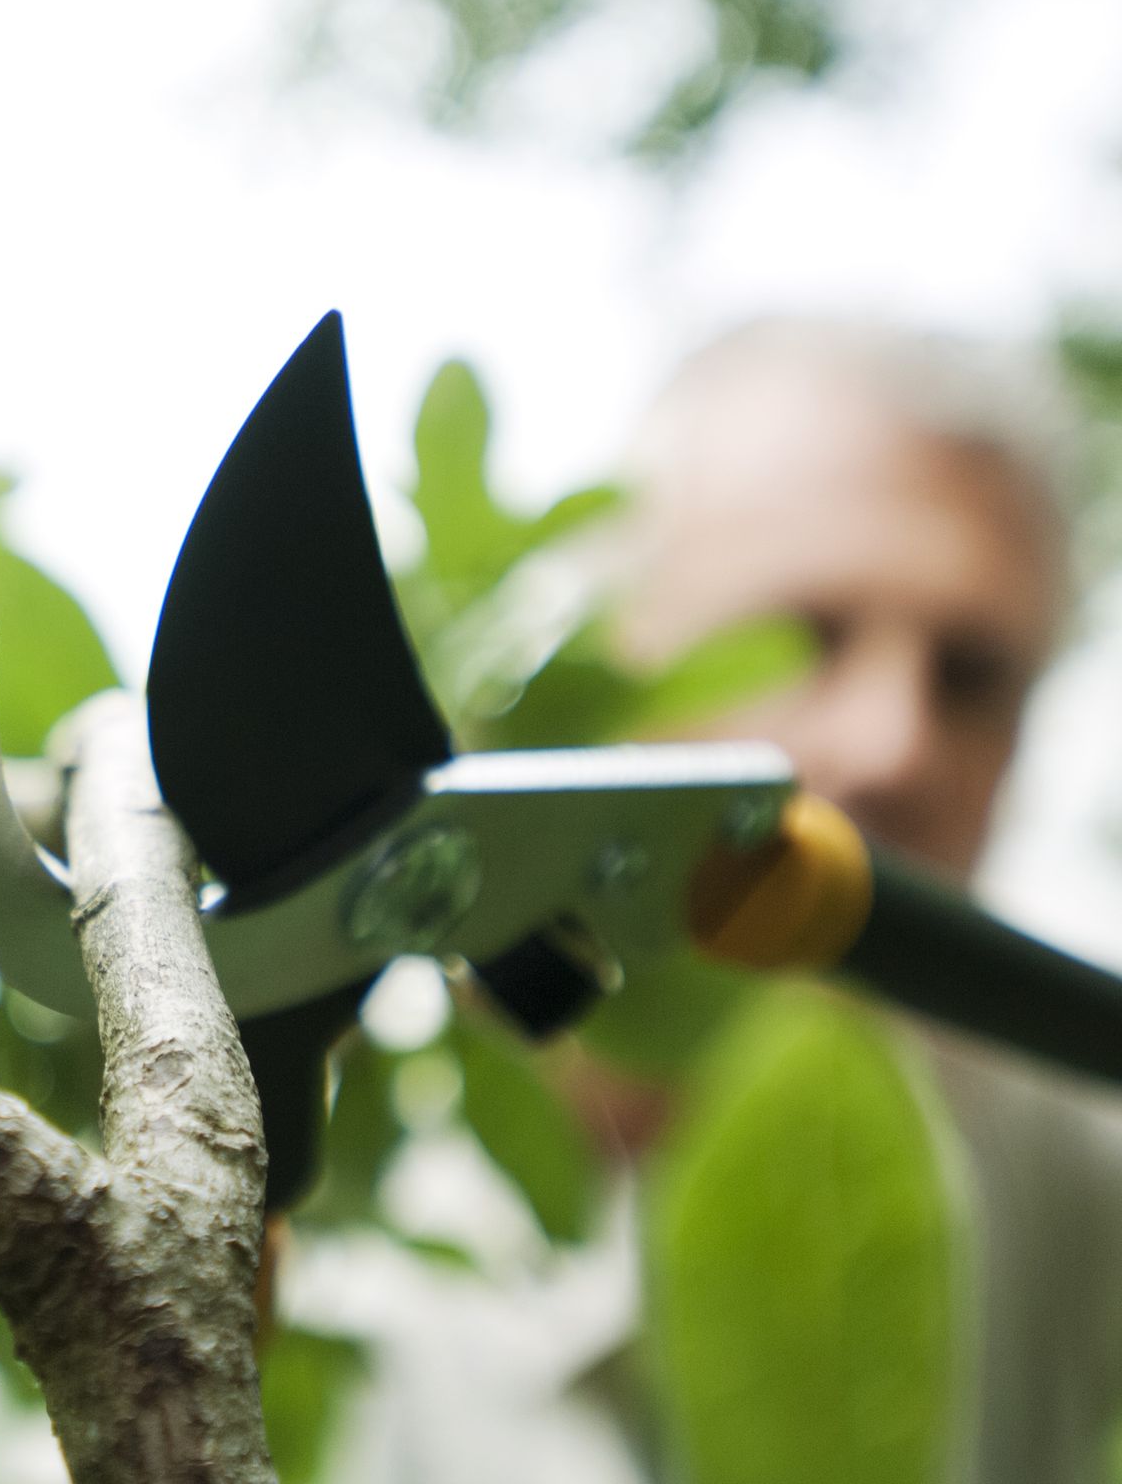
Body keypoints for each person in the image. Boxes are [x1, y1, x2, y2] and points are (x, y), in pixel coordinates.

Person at [288, 317, 1122, 1484]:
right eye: (804, 635)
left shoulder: (1068, 1169)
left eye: (973, 675)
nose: (894, 745)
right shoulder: (317, 1250)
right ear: (602, 666)